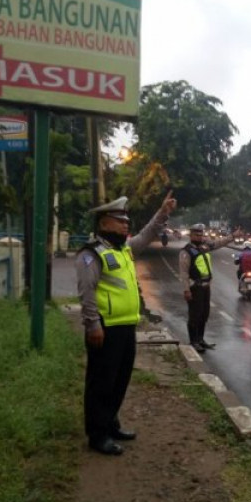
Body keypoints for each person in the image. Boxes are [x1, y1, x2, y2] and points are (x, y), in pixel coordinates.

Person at [76, 191, 177, 456]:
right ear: (103, 223)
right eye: (119, 220)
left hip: (125, 327)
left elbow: (147, 232)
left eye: (126, 220)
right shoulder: (91, 254)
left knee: (119, 379)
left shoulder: (124, 250)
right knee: (101, 382)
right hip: (105, 329)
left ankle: (111, 423)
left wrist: (163, 211)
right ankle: (97, 435)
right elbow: (87, 292)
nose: (125, 224)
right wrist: (92, 325)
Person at [179, 223, 242, 352]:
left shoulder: (204, 247)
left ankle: (201, 339)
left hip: (206, 287)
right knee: (194, 315)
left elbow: (219, 243)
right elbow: (184, 273)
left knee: (204, 314)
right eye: (197, 234)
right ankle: (194, 341)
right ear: (191, 235)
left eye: (201, 234)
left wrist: (232, 236)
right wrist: (186, 290)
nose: (199, 236)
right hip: (195, 288)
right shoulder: (186, 251)